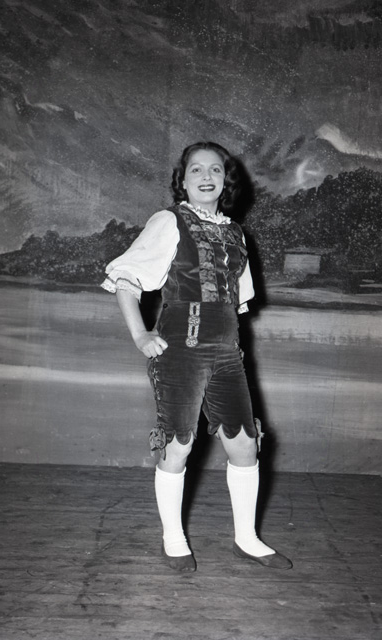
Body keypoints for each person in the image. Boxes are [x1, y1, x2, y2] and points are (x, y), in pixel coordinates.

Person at [101, 141, 292, 572]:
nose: (207, 177)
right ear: (183, 180)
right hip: (180, 353)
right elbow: (127, 280)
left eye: (216, 170)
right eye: (196, 170)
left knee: (245, 445)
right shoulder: (169, 221)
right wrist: (141, 335)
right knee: (178, 445)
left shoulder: (236, 233)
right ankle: (174, 538)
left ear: (226, 181)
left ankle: (247, 539)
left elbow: (235, 303)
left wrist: (228, 343)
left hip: (226, 354)